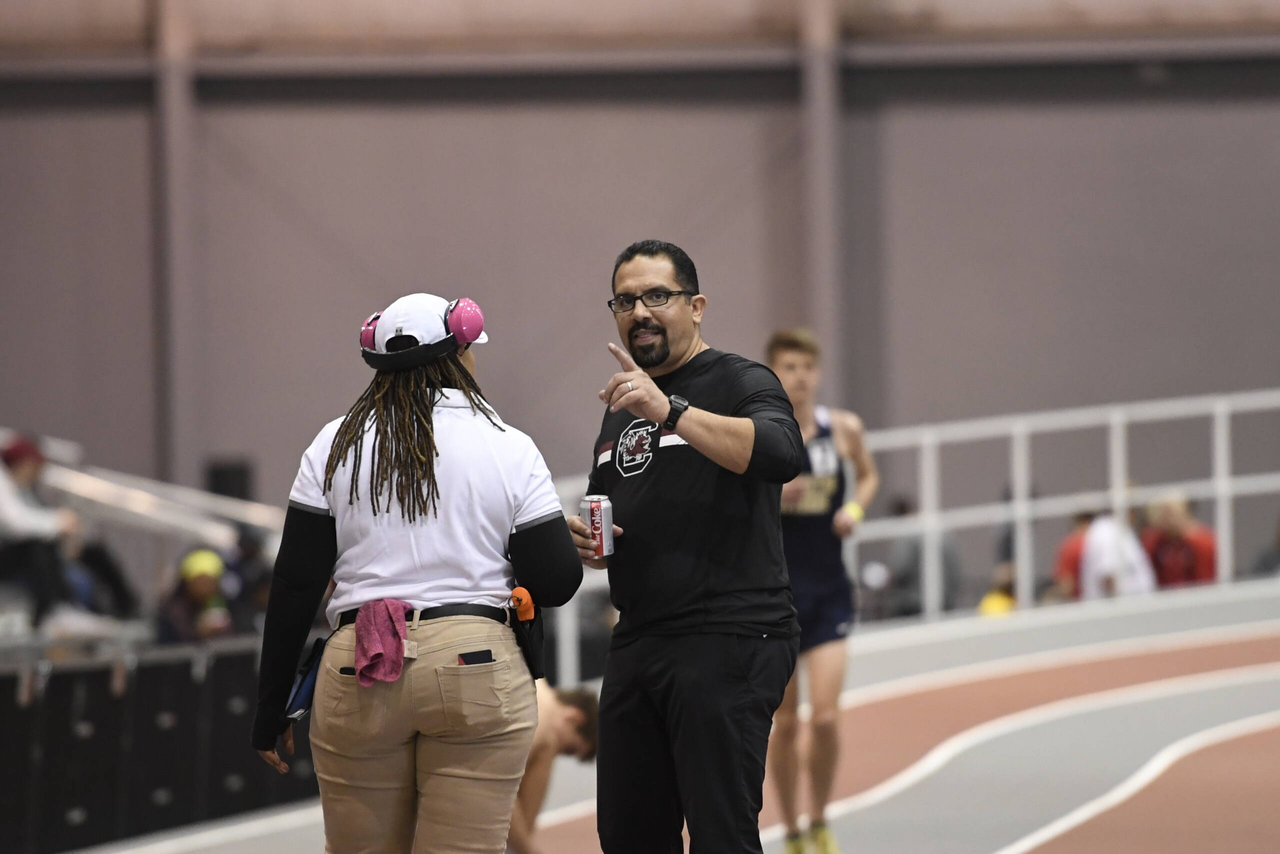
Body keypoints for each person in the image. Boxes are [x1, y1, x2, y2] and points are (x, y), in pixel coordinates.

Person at [252, 293, 582, 854]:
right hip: (474, 661)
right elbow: (554, 582)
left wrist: (269, 709)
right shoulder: (508, 444)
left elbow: (294, 586)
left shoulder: (333, 445)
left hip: (359, 663)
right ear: (459, 352)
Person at [566, 240, 804, 854]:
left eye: (657, 296)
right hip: (640, 638)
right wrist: (591, 545)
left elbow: (782, 454)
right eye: (625, 300)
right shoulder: (621, 409)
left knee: (721, 836)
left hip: (730, 633)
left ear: (695, 307)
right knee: (629, 836)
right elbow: (611, 509)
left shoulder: (740, 379)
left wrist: (670, 410)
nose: (639, 311)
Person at [763, 328, 879, 854]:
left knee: (826, 718)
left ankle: (819, 818)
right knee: (785, 724)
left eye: (808, 367)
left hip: (829, 587)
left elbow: (869, 476)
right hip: (775, 593)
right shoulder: (759, 433)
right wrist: (771, 495)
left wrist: (854, 509)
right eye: (789, 367)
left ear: (818, 373)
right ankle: (789, 831)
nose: (800, 377)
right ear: (772, 372)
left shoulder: (844, 429)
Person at [506, 682, 599, 854]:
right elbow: (500, 793)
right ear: (574, 717)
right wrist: (529, 851)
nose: (559, 755)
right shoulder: (544, 720)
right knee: (550, 742)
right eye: (568, 750)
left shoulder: (537, 686)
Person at [157, 548, 236, 643]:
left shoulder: (226, 602)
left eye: (210, 582)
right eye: (200, 581)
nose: (205, 588)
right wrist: (198, 632)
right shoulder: (172, 610)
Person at [1142, 492, 1217, 587]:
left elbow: (1206, 582)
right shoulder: (1156, 541)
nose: (1166, 518)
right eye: (1163, 513)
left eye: (1171, 513)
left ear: (1186, 513)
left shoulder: (1204, 543)